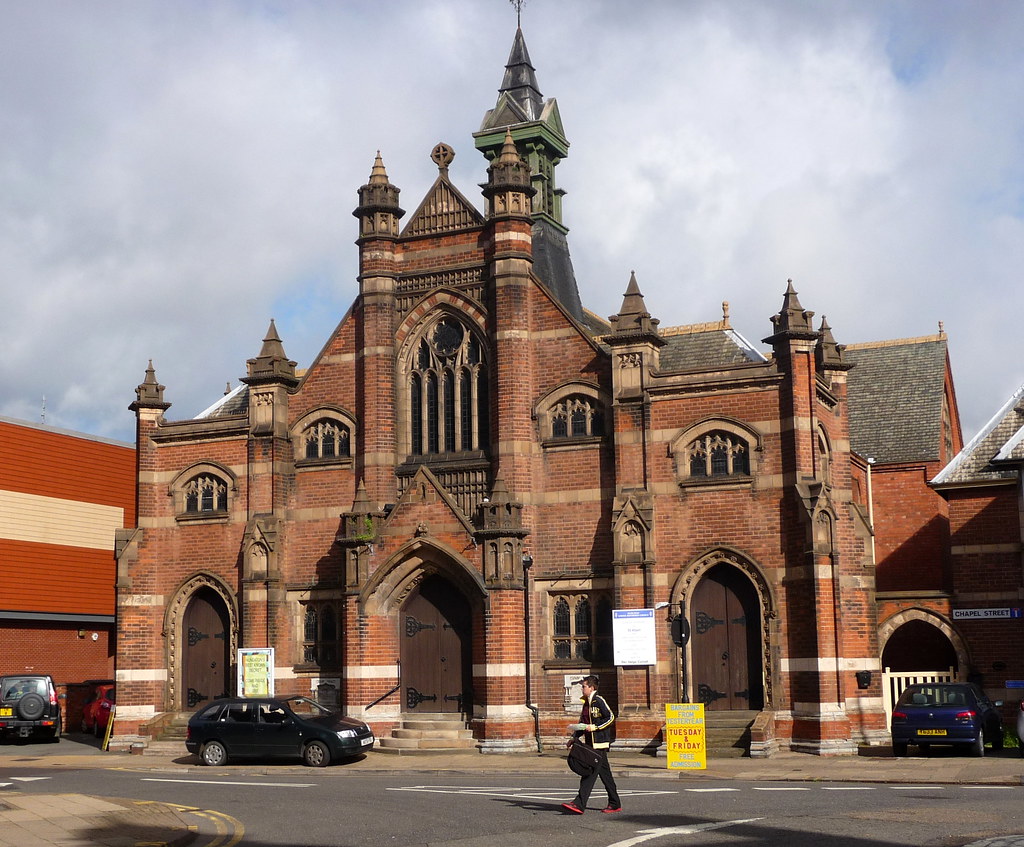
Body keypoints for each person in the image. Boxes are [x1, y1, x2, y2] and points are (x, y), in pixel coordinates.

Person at [562, 674, 621, 814]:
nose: (582, 688)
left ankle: (579, 803)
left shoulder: (598, 700)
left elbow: (610, 717)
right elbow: (582, 724)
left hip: (599, 744)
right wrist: (574, 738)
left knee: (589, 772)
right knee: (605, 774)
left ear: (591, 687)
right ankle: (615, 803)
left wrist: (595, 727)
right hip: (590, 744)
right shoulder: (586, 703)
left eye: (584, 686)